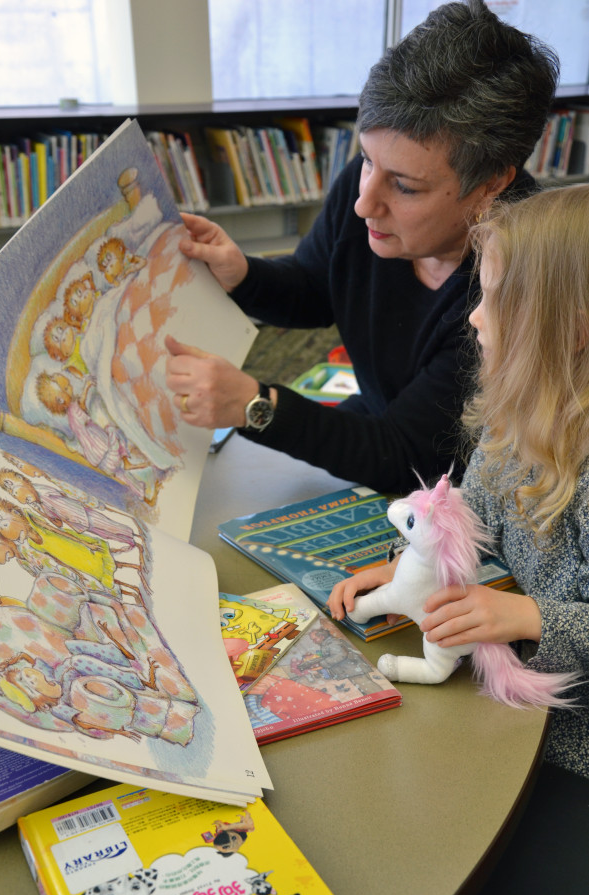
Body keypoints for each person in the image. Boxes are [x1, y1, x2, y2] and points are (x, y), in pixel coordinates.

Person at [165, 0, 559, 493]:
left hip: (455, 498)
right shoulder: (368, 187)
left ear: (491, 185)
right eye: (367, 160)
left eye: (406, 187)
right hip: (376, 428)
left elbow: (406, 457)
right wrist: (242, 273)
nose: (363, 203)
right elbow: (315, 286)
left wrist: (255, 406)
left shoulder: (524, 283)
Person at [329, 184, 589, 781]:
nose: (473, 316)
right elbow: (477, 515)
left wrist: (528, 616)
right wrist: (416, 559)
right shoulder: (513, 417)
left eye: (495, 299)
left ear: (572, 332)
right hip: (508, 708)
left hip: (567, 747)